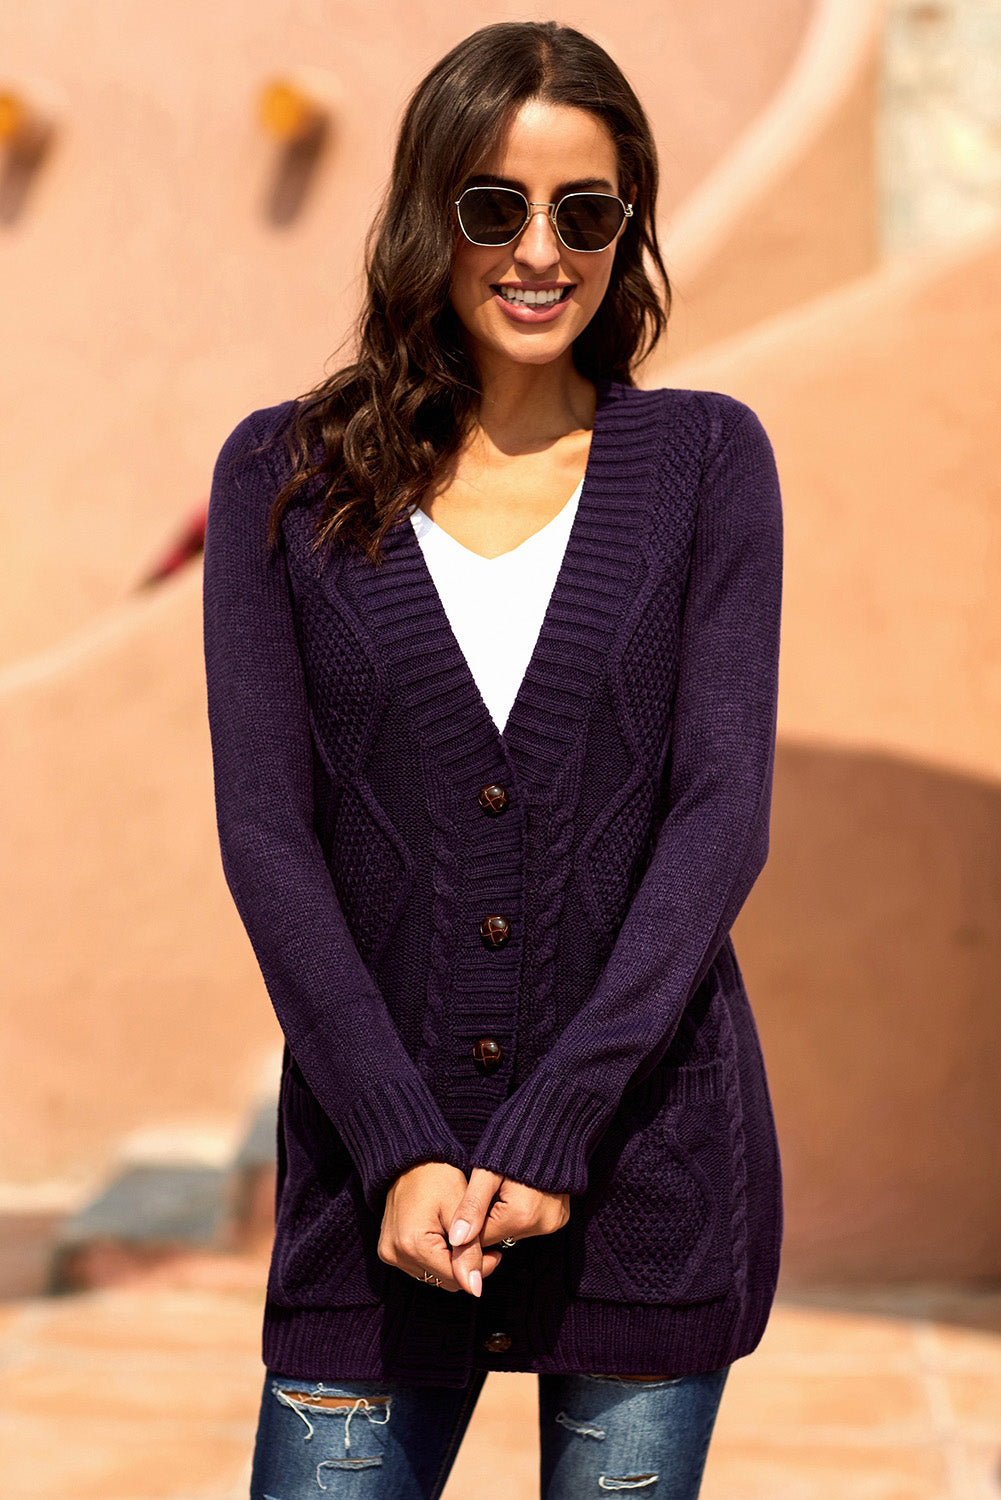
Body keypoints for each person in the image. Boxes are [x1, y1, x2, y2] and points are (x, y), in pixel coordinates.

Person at [202, 19, 784, 1500]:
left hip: (639, 1160)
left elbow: (717, 815)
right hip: (366, 1180)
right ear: (423, 219)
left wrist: (556, 1120)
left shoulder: (707, 463)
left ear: (626, 229)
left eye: (586, 212)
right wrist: (400, 1144)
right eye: (492, 206)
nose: (540, 250)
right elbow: (270, 835)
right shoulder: (284, 478)